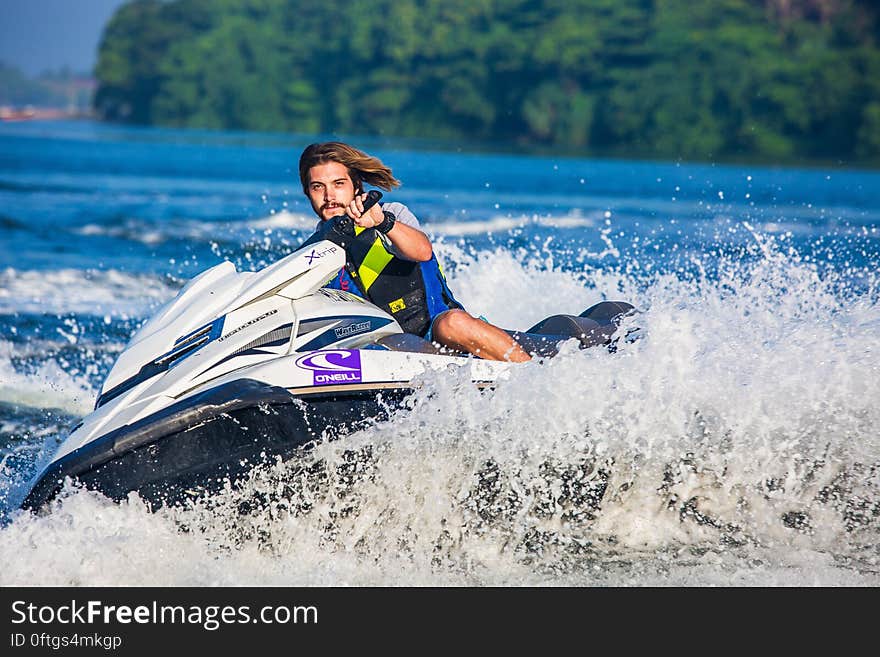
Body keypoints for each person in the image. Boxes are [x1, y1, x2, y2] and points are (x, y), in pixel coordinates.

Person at [299, 141, 530, 362]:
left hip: (437, 327)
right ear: (307, 192)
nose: (329, 196)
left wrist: (382, 222)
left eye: (339, 184)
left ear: (356, 186)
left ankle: (532, 378)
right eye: (318, 187)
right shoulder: (311, 252)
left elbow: (422, 251)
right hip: (381, 344)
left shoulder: (391, 214)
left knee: (452, 324)